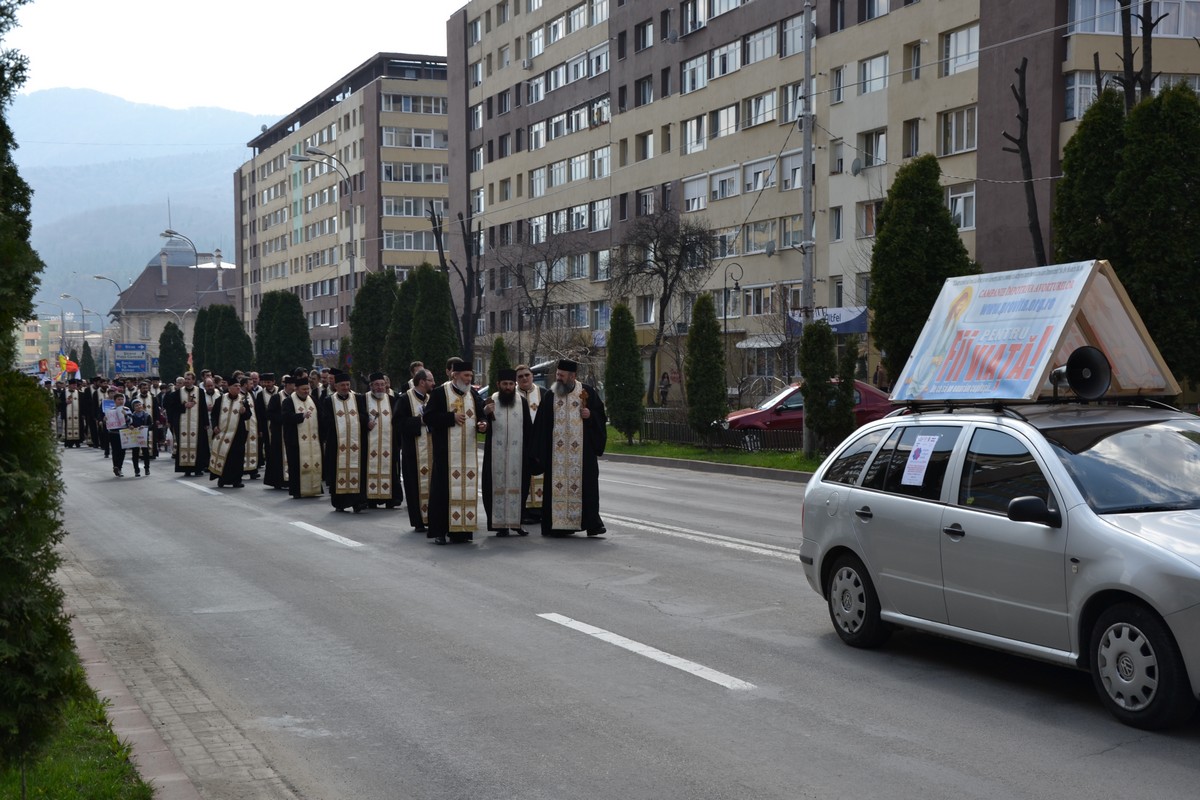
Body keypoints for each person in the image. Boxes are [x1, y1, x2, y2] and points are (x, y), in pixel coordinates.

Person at [532, 359, 608, 537]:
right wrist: (538, 452)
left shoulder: (586, 392)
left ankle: (592, 524)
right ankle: (557, 525)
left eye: (562, 375)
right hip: (556, 455)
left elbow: (600, 416)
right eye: (557, 374)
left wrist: (590, 415)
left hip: (582, 453)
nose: (558, 378)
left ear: (573, 376)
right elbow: (541, 425)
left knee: (587, 487)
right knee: (555, 487)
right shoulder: (551, 395)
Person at [424, 361, 489, 545]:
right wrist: (450, 417)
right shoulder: (440, 393)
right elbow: (428, 417)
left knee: (465, 491)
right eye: (466, 376)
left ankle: (461, 532)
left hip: (467, 453)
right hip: (446, 454)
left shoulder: (472, 394)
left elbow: (481, 413)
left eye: (470, 376)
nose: (469, 379)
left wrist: (483, 424)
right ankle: (440, 532)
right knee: (442, 492)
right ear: (455, 375)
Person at [483, 369, 533, 537]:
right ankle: (499, 524)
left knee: (520, 487)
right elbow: (482, 426)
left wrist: (529, 452)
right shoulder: (491, 401)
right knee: (495, 487)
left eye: (511, 384)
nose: (508, 387)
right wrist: (485, 416)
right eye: (505, 384)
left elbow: (528, 429)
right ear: (498, 384)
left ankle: (517, 523)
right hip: (495, 455)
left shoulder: (522, 402)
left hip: (517, 455)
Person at [319, 371, 368, 512]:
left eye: (347, 385)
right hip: (336, 444)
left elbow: (364, 415)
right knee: (337, 472)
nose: (346, 387)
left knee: (358, 471)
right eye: (342, 385)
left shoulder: (358, 398)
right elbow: (325, 420)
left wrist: (365, 421)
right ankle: (340, 502)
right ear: (336, 386)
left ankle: (358, 501)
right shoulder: (329, 400)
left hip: (356, 443)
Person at [397, 368, 435, 532]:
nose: (433, 383)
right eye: (430, 380)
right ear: (422, 382)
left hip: (431, 451)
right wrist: (418, 422)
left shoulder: (431, 398)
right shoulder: (405, 399)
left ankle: (432, 518)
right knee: (414, 487)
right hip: (413, 452)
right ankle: (419, 521)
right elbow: (398, 423)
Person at [364, 372, 403, 509]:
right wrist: (366, 425)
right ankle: (370, 498)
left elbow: (398, 421)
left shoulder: (393, 400)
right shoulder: (364, 400)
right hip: (369, 445)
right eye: (377, 385)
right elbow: (359, 420)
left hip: (389, 444)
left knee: (391, 470)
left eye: (382, 384)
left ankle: (391, 498)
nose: (380, 387)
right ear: (371, 386)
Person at [163, 372, 211, 476]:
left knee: (198, 445)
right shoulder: (177, 393)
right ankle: (186, 469)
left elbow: (203, 408)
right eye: (185, 379)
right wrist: (184, 405)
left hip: (197, 424)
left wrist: (206, 422)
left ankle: (198, 469)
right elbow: (172, 408)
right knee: (183, 445)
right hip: (182, 424)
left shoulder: (200, 392)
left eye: (189, 379)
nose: (187, 381)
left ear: (194, 380)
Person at [282, 377, 323, 498]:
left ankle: (314, 488)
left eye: (308, 389)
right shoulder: (289, 401)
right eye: (304, 389)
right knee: (296, 466)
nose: (306, 391)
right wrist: (301, 416)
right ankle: (297, 491)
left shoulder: (313, 400)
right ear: (296, 389)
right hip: (295, 441)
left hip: (313, 440)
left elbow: (321, 416)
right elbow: (286, 417)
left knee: (314, 464)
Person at [515, 365, 546, 525]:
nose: (524, 378)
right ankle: (524, 511)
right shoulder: (511, 394)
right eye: (520, 376)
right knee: (522, 477)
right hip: (520, 445)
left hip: (540, 444)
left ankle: (540, 510)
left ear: (532, 376)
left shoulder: (544, 393)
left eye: (527, 375)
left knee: (541, 475)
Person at [208, 378, 253, 488]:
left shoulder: (243, 400)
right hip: (223, 434)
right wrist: (214, 427)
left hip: (238, 435)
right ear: (229, 388)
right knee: (225, 457)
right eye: (235, 386)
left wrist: (244, 412)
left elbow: (248, 416)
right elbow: (214, 415)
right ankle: (222, 479)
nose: (238, 388)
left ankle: (237, 480)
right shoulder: (221, 400)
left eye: (239, 386)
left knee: (237, 458)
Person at [263, 374, 289, 489]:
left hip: (290, 433)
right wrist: (282, 419)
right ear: (287, 385)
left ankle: (289, 480)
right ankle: (277, 481)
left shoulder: (294, 398)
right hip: (278, 432)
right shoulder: (277, 397)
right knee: (277, 458)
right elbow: (269, 414)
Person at [104, 391, 132, 477]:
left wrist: (125, 416)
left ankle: (119, 467)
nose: (121, 401)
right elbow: (107, 422)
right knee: (115, 450)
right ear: (115, 401)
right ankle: (115, 466)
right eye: (119, 399)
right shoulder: (110, 410)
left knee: (122, 451)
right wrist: (105, 419)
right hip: (114, 433)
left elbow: (130, 421)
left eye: (122, 399)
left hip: (123, 432)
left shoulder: (127, 409)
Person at [128, 398, 153, 477]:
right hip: (134, 436)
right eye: (136, 406)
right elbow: (128, 425)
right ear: (133, 407)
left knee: (145, 453)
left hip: (144, 436)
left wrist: (145, 427)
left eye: (139, 405)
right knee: (135, 453)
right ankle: (136, 470)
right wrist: (130, 426)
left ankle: (147, 468)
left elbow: (151, 426)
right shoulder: (131, 416)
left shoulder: (147, 415)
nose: (138, 407)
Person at [60, 377, 85, 448]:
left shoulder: (80, 394)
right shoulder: (64, 393)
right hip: (67, 415)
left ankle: (77, 442)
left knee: (79, 427)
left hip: (78, 415)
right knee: (68, 427)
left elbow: (83, 404)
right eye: (73, 385)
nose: (75, 386)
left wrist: (83, 414)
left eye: (76, 385)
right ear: (69, 385)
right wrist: (65, 402)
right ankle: (69, 442)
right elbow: (58, 403)